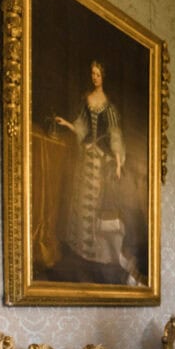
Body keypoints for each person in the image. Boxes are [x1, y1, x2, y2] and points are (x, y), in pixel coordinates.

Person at [53, 60, 142, 285]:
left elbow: (115, 135)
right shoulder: (87, 100)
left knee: (97, 204)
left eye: (97, 74)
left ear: (103, 77)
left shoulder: (109, 108)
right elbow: (81, 126)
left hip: (101, 161)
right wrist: (67, 123)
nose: (94, 77)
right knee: (81, 201)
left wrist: (119, 163)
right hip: (85, 158)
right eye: (92, 74)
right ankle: (81, 249)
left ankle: (97, 253)